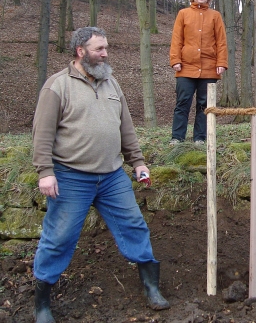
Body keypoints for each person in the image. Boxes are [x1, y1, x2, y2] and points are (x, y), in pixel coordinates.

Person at [32, 27, 169, 323]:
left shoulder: (111, 84)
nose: (105, 53)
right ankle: (42, 302)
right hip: (70, 177)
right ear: (80, 51)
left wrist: (138, 162)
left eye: (106, 48)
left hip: (112, 176)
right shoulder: (57, 86)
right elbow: (42, 134)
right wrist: (45, 171)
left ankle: (151, 286)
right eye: (99, 49)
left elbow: (126, 129)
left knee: (134, 224)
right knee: (59, 237)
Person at [169, 0, 228, 145]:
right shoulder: (183, 14)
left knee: (204, 105)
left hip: (209, 67)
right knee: (183, 102)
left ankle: (200, 138)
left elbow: (221, 42)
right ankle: (177, 137)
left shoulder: (215, 16)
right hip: (185, 66)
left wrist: (221, 63)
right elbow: (176, 39)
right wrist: (175, 60)